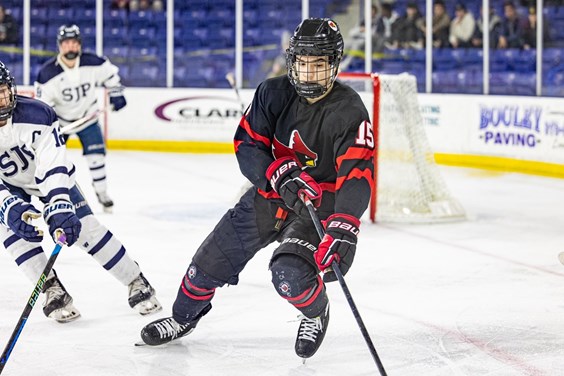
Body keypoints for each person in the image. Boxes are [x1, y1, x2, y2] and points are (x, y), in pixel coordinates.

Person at [140, 18, 374, 360]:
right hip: (271, 194)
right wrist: (274, 172)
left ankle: (314, 312)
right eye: (303, 64)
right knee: (206, 265)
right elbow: (247, 146)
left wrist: (344, 224)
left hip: (319, 202)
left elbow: (358, 172)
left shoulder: (349, 109)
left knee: (290, 274)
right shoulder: (272, 92)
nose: (309, 74)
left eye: (319, 65)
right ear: (293, 62)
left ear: (334, 64)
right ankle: (182, 318)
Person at [0, 61, 161, 323]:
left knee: (86, 227)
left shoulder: (38, 115)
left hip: (48, 178)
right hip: (7, 185)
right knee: (13, 232)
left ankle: (135, 279)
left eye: (3, 90)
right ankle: (52, 290)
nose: (1, 99)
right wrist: (6, 205)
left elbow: (52, 165)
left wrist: (59, 201)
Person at [34, 25, 126, 212]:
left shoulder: (92, 62)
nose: (71, 47)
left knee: (96, 158)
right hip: (60, 123)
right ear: (60, 46)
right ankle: (53, 197)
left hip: (88, 118)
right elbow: (43, 104)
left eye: (74, 43)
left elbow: (111, 75)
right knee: (54, 160)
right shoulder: (47, 73)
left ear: (80, 45)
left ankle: (102, 193)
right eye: (66, 43)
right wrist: (49, 123)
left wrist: (116, 93)